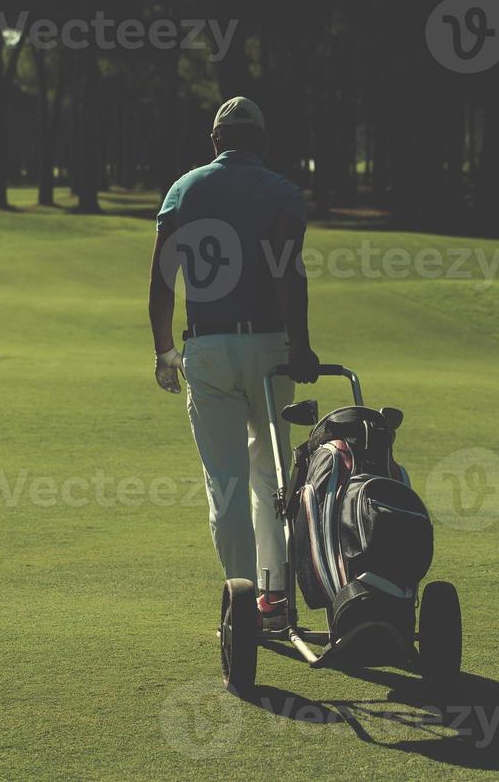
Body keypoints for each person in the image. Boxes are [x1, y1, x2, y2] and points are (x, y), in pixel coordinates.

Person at [148, 96, 319, 631]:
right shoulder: (282, 192)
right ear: (262, 142)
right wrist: (302, 345)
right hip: (271, 349)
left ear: (216, 140)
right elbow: (288, 276)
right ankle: (273, 596)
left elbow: (161, 281)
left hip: (210, 347)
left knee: (226, 483)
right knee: (272, 479)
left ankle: (240, 602)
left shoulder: (184, 189)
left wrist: (162, 352)